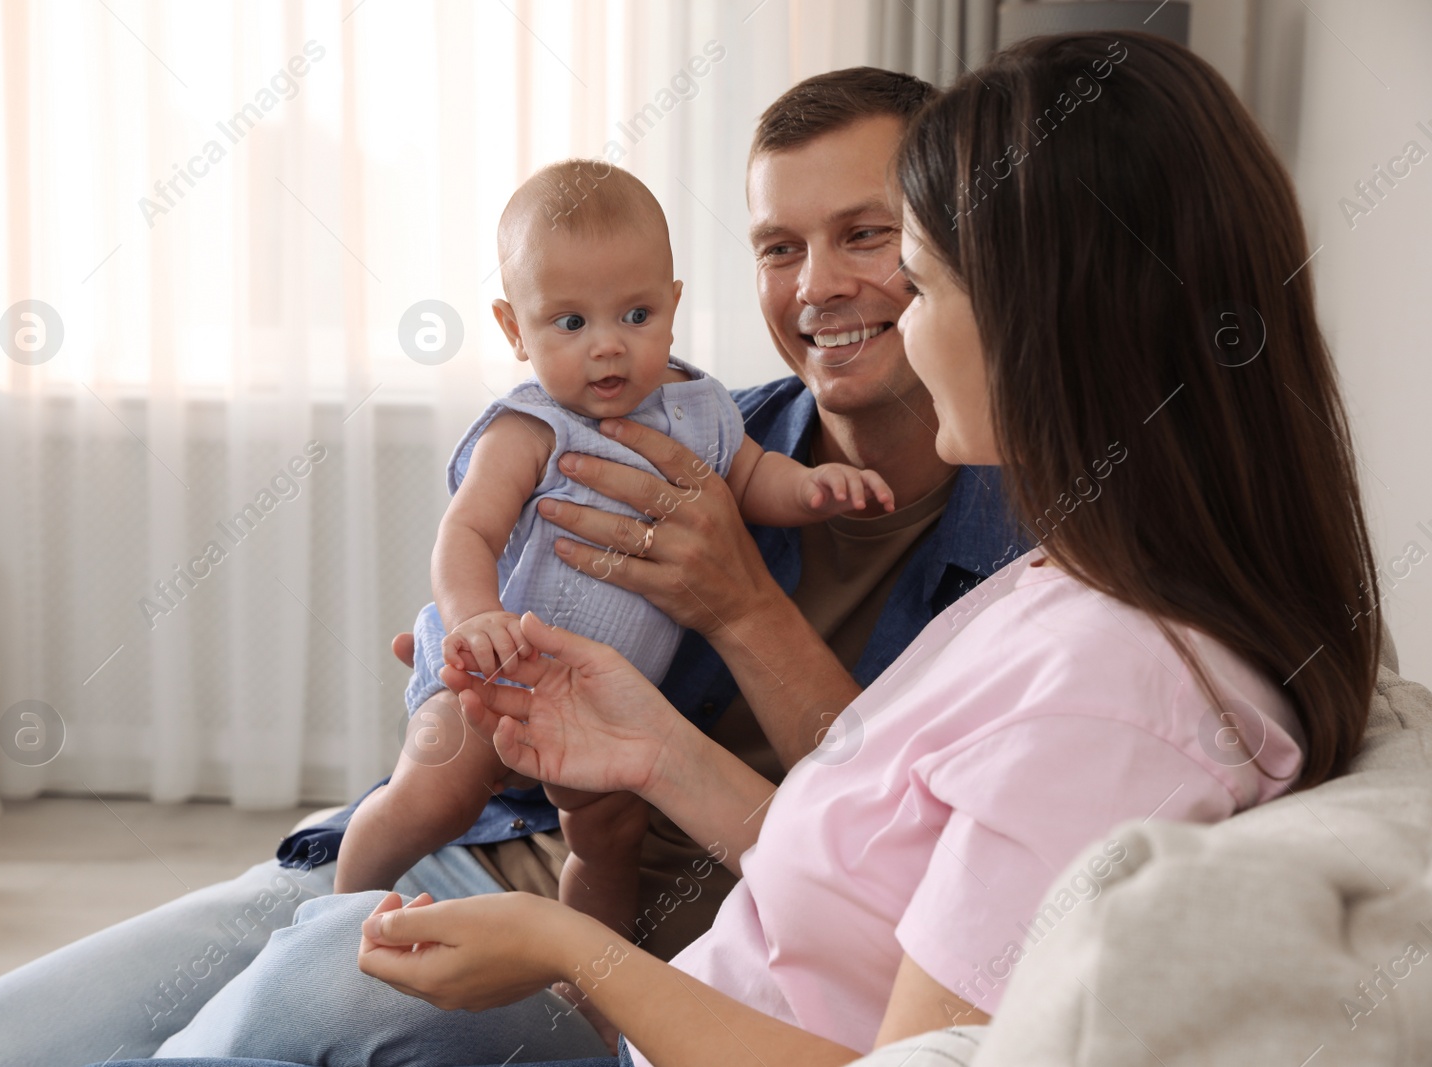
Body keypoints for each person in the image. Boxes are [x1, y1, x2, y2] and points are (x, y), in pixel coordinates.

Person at [0, 67, 1016, 1067]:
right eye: (778, 245)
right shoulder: (704, 424)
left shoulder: (1034, 555)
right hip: (470, 837)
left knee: (271, 1008)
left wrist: (739, 602)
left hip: (642, 946)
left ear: (949, 248)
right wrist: (469, 646)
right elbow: (496, 555)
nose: (815, 285)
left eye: (864, 234)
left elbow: (894, 868)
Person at [319, 28, 1381, 1067]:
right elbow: (873, 877)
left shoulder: (1106, 690)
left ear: (1036, 316)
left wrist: (567, 944)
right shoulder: (1073, 582)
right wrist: (645, 740)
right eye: (781, 246)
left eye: (916, 276)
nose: (855, 304)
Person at [335, 158, 895, 947]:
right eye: (570, 323)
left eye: (634, 315)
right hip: (495, 663)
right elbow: (466, 534)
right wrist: (475, 618)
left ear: (672, 305)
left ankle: (590, 980)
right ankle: (339, 905)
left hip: (604, 702)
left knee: (607, 839)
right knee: (438, 792)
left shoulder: (704, 411)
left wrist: (813, 489)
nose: (606, 349)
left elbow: (756, 477)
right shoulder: (530, 428)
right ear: (512, 330)